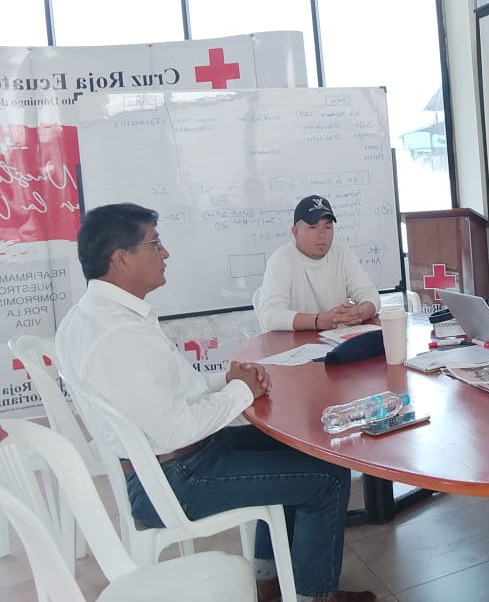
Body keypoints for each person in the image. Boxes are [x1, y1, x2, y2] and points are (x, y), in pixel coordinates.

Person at [56, 203, 376, 602]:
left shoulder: (91, 316)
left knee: (300, 445)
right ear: (121, 259)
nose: (166, 252)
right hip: (174, 478)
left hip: (164, 461)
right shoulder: (120, 335)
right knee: (328, 476)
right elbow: (176, 428)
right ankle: (313, 595)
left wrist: (226, 380)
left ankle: (268, 578)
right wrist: (242, 392)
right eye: (155, 243)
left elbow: (166, 392)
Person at [256, 195, 381, 332]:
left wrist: (360, 312)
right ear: (295, 231)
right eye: (313, 227)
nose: (321, 235)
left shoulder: (342, 253)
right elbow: (270, 316)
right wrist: (318, 321)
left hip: (337, 338)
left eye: (327, 227)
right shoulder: (281, 260)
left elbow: (369, 293)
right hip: (296, 342)